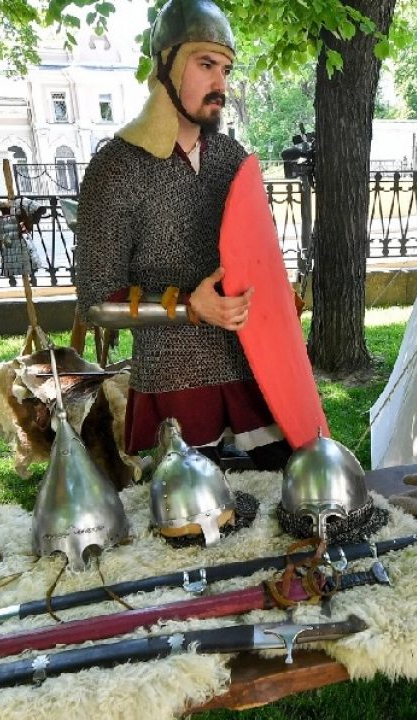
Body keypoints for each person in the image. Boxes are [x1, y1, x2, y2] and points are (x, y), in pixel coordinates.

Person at [73, 0, 290, 470]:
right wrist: (191, 307)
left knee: (289, 496)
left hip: (254, 369)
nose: (220, 85)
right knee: (192, 518)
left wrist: (277, 299)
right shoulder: (117, 167)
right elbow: (94, 299)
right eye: (206, 64)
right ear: (166, 63)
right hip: (175, 376)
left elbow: (255, 259)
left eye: (226, 69)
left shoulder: (233, 160)